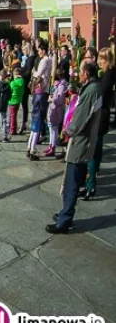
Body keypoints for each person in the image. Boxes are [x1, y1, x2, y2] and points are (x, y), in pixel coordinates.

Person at [47, 60, 102, 234]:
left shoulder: (91, 91)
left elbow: (81, 119)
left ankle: (65, 221)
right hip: (83, 141)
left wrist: (68, 130)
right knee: (73, 180)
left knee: (72, 181)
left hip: (81, 142)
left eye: (80, 71)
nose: (78, 74)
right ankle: (65, 213)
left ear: (86, 74)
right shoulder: (93, 89)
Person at [84, 50, 113, 199]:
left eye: (102, 60)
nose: (99, 62)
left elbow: (99, 94)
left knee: (92, 153)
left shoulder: (108, 76)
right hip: (100, 115)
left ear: (107, 60)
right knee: (96, 151)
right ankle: (91, 179)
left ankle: (91, 185)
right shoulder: (104, 74)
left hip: (100, 116)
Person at [25, 76, 48, 160]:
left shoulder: (35, 93)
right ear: (38, 85)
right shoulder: (41, 95)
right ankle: (32, 150)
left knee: (32, 132)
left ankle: (28, 147)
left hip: (34, 115)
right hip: (38, 115)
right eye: (42, 83)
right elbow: (43, 107)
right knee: (36, 133)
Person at [7, 68, 25, 135]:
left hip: (12, 100)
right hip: (18, 100)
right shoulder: (22, 81)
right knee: (14, 115)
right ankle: (13, 128)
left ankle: (12, 129)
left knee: (12, 116)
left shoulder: (13, 83)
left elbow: (10, 90)